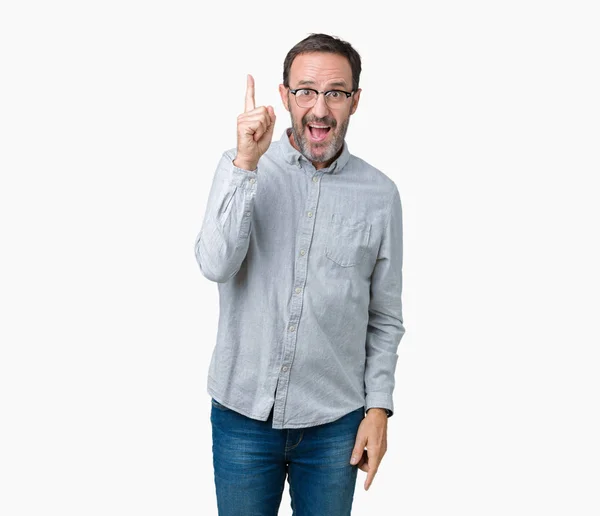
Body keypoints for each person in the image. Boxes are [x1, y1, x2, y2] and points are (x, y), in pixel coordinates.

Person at [194, 33, 405, 516]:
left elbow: (385, 315)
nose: (320, 108)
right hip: (242, 415)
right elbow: (215, 263)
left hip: (335, 422)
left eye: (336, 92)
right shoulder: (239, 167)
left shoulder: (380, 194)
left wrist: (379, 408)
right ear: (285, 96)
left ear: (355, 101)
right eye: (306, 91)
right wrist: (245, 163)